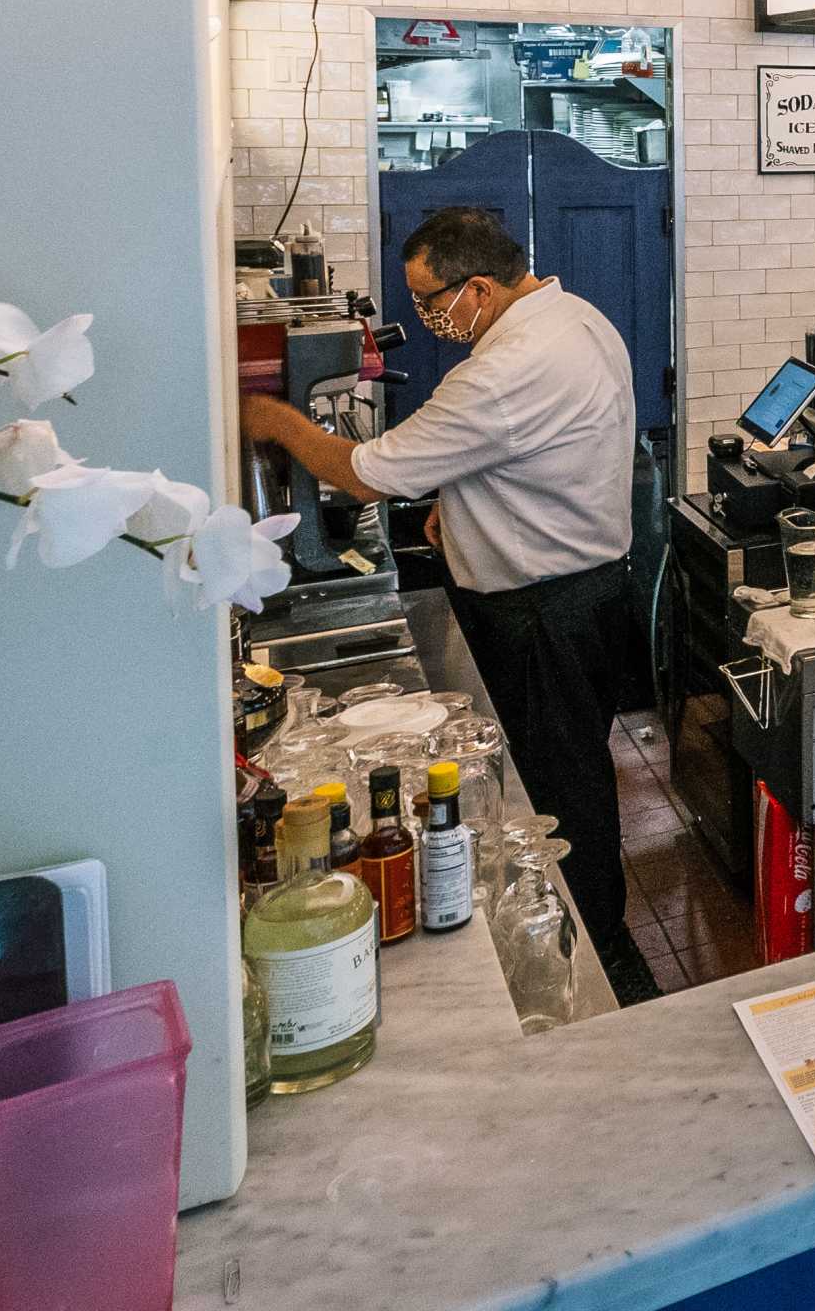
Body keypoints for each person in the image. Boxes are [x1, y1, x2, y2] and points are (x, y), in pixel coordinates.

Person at [241, 207, 659, 1005]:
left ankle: (598, 969)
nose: (428, 321)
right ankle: (597, 943)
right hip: (592, 592)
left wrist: (276, 420)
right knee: (572, 775)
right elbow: (541, 453)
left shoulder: (503, 370)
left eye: (432, 302)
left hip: (542, 614)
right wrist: (464, 500)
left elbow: (364, 473)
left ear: (478, 287)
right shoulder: (575, 318)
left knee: (561, 794)